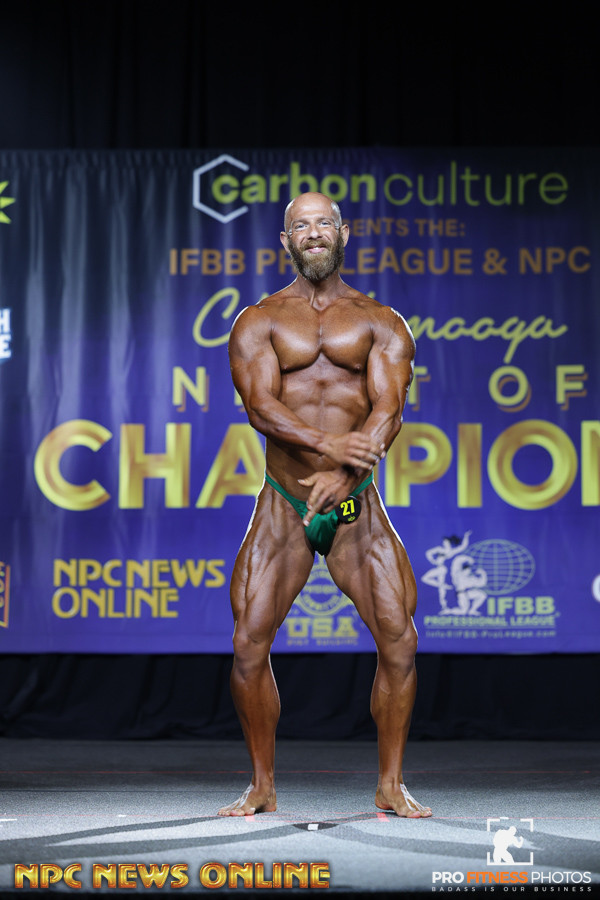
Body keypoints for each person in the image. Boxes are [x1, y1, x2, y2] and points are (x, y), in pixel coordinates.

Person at [218, 191, 431, 819]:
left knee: (400, 641)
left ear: (343, 233)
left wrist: (347, 469)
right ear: (286, 241)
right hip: (285, 502)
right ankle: (262, 785)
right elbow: (260, 408)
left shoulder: (380, 321)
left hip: (355, 502)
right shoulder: (258, 321)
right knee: (248, 645)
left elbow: (389, 410)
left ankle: (390, 783)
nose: (313, 233)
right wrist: (327, 445)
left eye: (323, 224)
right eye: (300, 226)